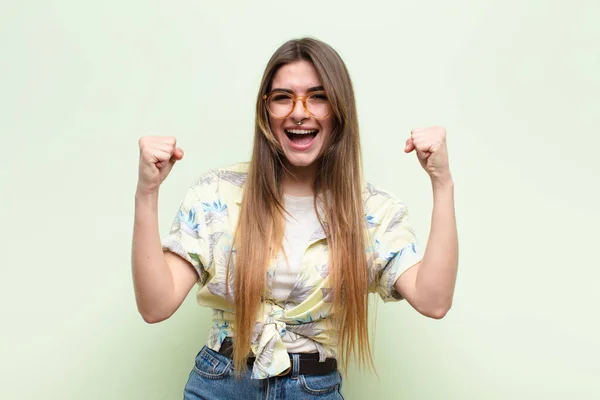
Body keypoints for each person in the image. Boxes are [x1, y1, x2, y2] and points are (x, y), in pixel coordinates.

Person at [132, 37, 458, 399]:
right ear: (265, 111)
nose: (299, 112)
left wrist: (441, 182)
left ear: (339, 112)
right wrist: (147, 193)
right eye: (283, 97)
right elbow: (155, 306)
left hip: (313, 387)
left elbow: (434, 301)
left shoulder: (374, 212)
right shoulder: (217, 193)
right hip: (221, 383)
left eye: (318, 97)